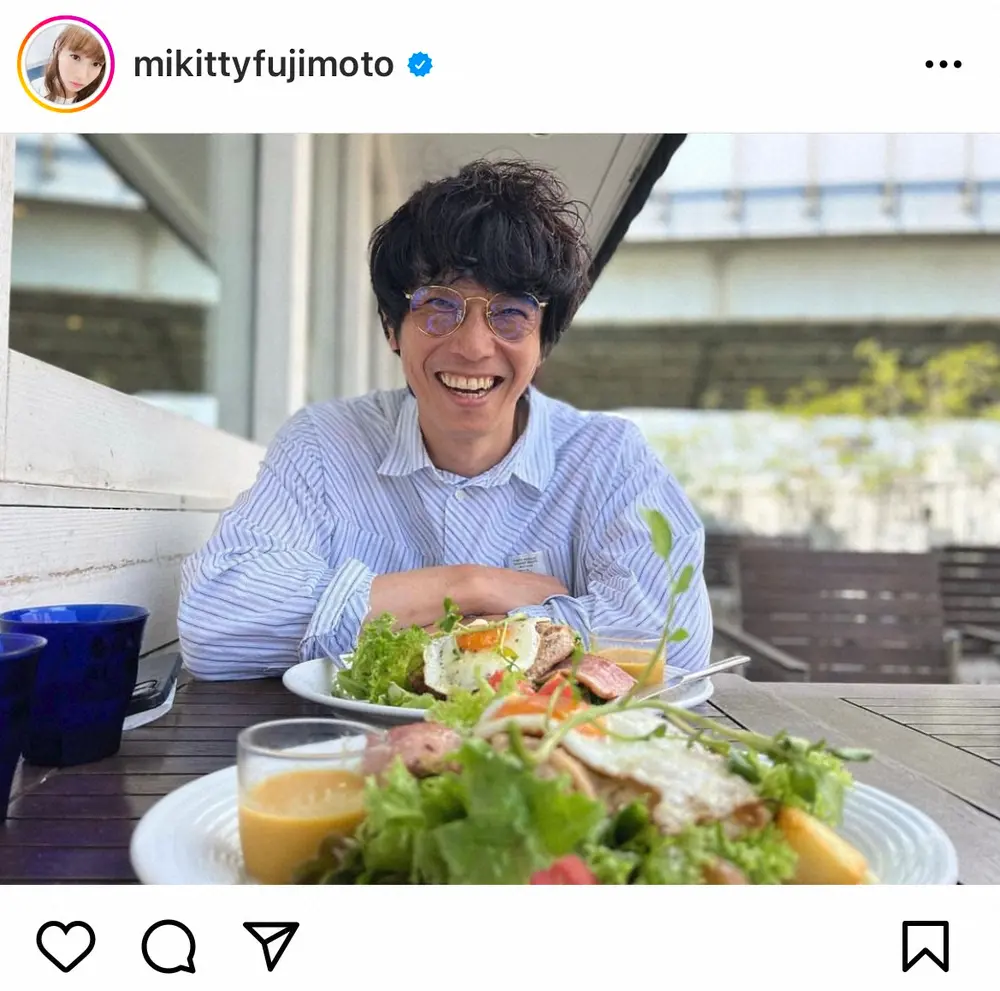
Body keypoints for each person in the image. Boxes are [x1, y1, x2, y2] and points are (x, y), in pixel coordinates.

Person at [178, 159, 713, 680]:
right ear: (392, 328)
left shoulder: (609, 457)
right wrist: (472, 586)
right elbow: (215, 620)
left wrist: (411, 622)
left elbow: (673, 642)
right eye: (438, 306)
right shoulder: (323, 444)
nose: (474, 347)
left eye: (511, 313)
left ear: (542, 342)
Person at [29, 25, 106, 106]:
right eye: (75, 57)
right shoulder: (35, 88)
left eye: (96, 64)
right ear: (58, 47)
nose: (82, 76)